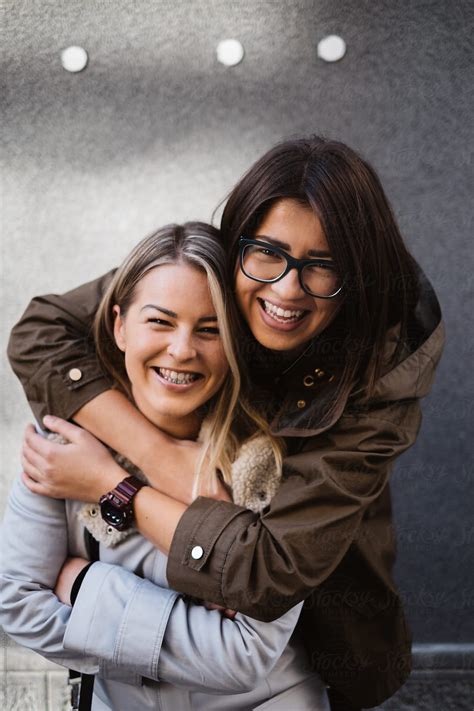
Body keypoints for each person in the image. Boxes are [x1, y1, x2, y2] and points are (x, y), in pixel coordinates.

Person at [7, 136, 445, 709]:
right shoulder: (206, 277)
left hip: (305, 653)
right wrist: (167, 460)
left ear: (357, 278)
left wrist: (106, 519)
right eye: (267, 253)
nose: (287, 289)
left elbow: (262, 587)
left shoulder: (378, 376)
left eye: (324, 267)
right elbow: (40, 332)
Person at [1, 222, 330, 710]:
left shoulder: (272, 463)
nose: (181, 350)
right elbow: (19, 606)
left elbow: (245, 657)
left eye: (209, 330)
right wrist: (196, 638)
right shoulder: (66, 450)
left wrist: (87, 586)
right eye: (159, 321)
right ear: (119, 326)